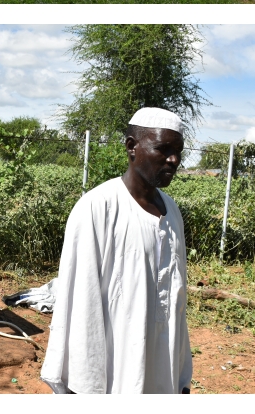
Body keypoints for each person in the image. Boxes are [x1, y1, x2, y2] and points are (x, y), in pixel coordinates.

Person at [41, 107, 192, 394]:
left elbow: (176, 299)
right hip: (113, 372)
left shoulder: (172, 211)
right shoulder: (98, 207)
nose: (173, 160)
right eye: (163, 149)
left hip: (163, 368)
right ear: (131, 147)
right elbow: (82, 301)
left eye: (178, 151)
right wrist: (84, 385)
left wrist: (182, 376)